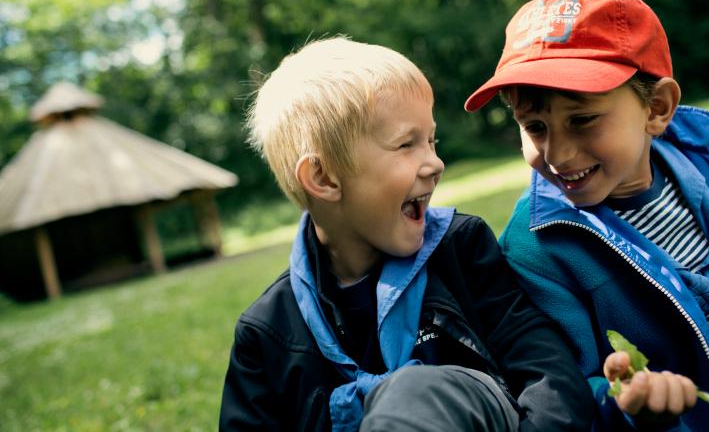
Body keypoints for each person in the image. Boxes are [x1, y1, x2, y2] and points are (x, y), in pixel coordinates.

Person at [219, 36, 593, 431]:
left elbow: (547, 373)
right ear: (324, 177)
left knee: (413, 391)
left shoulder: (462, 250)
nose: (435, 163)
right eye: (405, 145)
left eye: (431, 140)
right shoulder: (266, 334)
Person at [464, 0, 709, 431]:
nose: (558, 154)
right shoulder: (535, 247)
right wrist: (628, 401)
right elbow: (565, 386)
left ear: (657, 108)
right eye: (535, 126)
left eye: (582, 119)